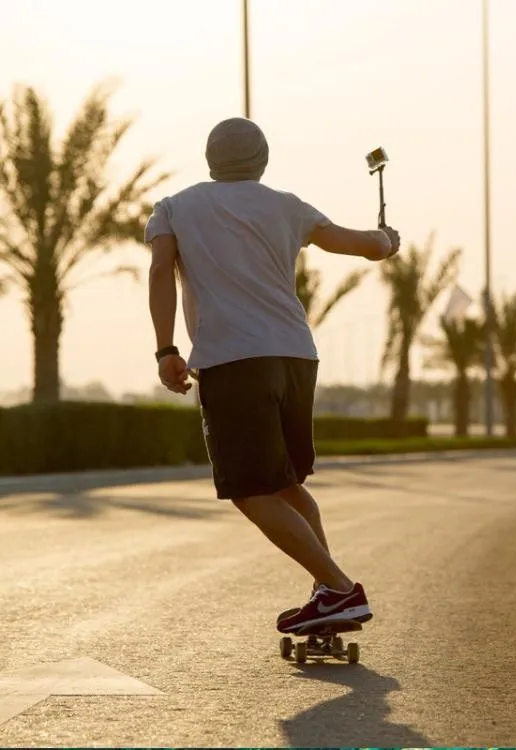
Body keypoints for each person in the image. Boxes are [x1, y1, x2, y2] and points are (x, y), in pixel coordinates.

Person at [144, 117, 400, 634]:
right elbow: (364, 246)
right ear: (261, 161)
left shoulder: (174, 208)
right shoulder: (288, 205)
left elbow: (159, 271)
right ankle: (329, 594)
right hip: (296, 357)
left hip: (235, 360)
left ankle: (341, 589)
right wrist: (386, 239)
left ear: (210, 160)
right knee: (285, 487)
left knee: (250, 489)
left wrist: (166, 348)